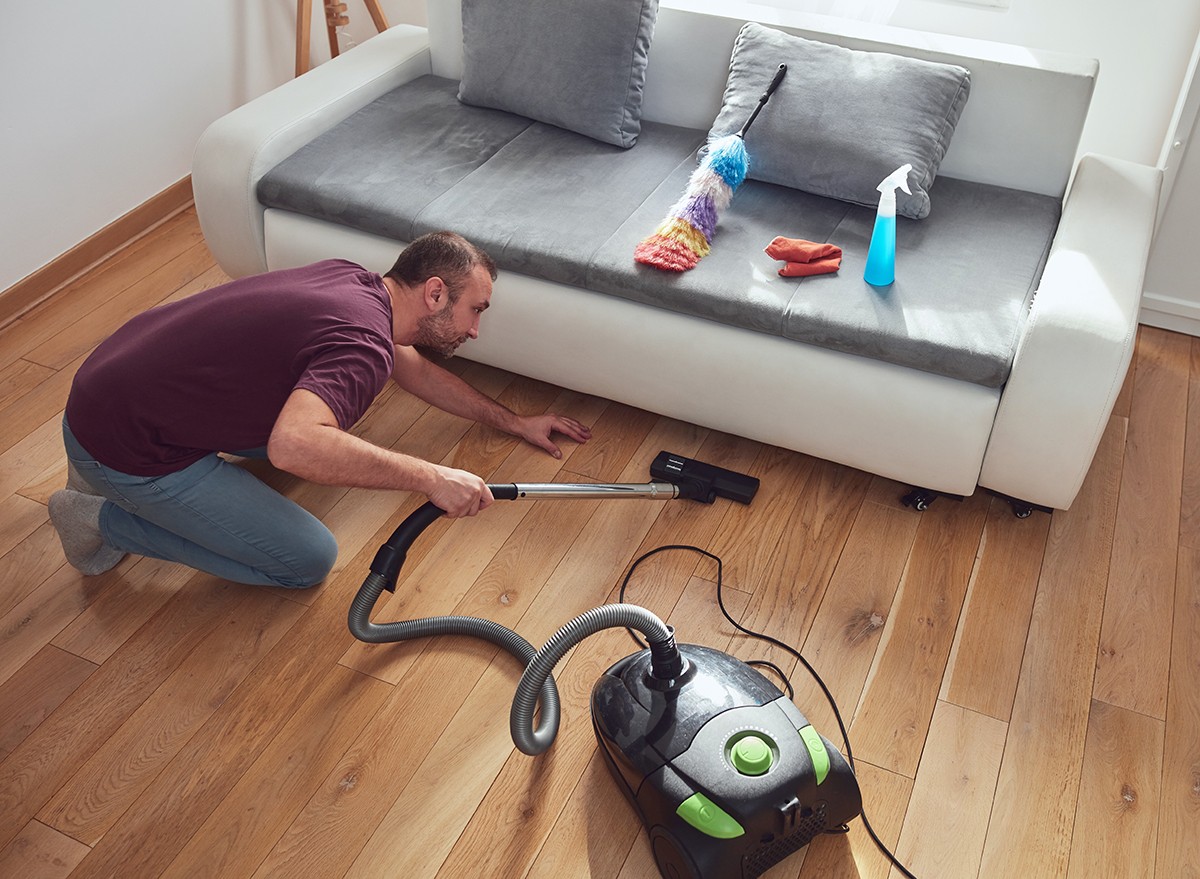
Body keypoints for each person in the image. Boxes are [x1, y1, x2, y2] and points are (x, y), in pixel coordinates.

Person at [50, 231, 591, 588]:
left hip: (109, 384)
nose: (475, 329)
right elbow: (293, 445)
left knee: (323, 432)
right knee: (305, 559)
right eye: (475, 310)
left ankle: (101, 469)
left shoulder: (353, 282)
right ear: (433, 293)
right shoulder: (363, 344)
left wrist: (514, 422)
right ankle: (97, 516)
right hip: (128, 444)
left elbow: (416, 369)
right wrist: (431, 478)